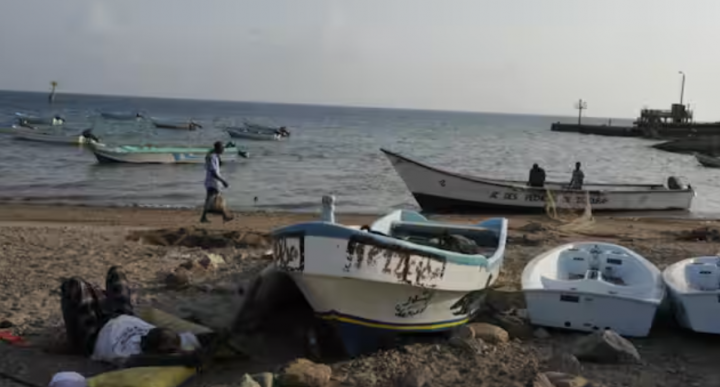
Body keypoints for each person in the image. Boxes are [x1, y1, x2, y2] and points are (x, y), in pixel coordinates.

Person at [60, 266, 221, 368]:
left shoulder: (128, 354)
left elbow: (140, 361)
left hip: (94, 334)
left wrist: (183, 359)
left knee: (74, 285)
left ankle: (75, 336)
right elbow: (210, 337)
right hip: (123, 315)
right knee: (117, 272)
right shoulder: (172, 342)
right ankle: (101, 299)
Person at [200, 141, 233, 223]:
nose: (223, 150)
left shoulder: (213, 156)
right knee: (217, 199)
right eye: (222, 148)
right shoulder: (212, 157)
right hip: (213, 181)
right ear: (218, 148)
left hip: (210, 181)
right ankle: (224, 216)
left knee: (211, 199)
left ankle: (204, 217)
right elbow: (213, 173)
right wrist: (223, 181)